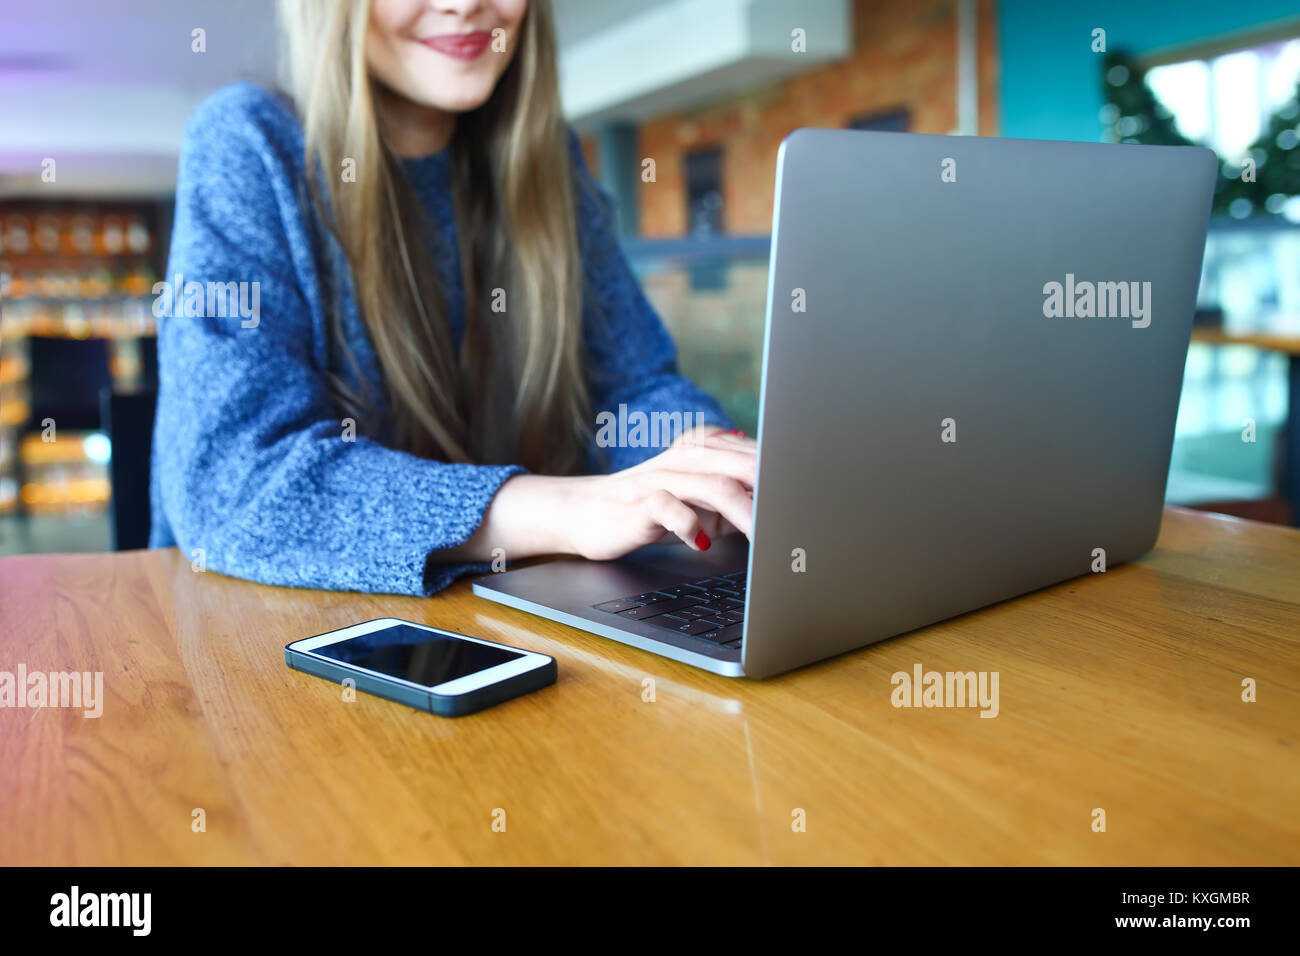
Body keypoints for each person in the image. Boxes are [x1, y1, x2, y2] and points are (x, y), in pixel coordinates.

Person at [149, 0, 757, 595]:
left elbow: (634, 388)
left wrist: (703, 466)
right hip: (273, 643)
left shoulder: (550, 161)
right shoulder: (249, 141)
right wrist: (568, 510)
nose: (464, 6)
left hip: (508, 627)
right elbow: (232, 481)